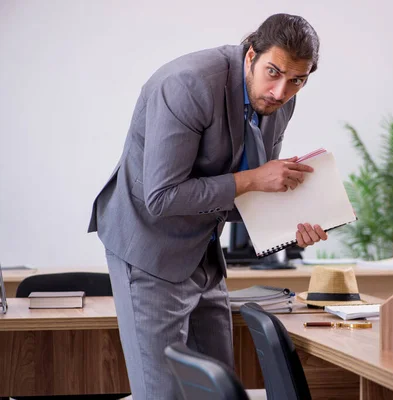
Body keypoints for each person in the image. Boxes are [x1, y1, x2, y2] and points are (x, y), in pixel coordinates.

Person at [87, 13, 325, 399]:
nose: (281, 91)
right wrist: (254, 180)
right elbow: (163, 197)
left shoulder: (279, 103)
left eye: (297, 80)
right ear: (251, 56)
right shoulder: (187, 84)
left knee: (219, 392)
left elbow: (250, 198)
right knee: (162, 393)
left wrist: (292, 222)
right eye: (273, 72)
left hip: (204, 252)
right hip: (148, 246)